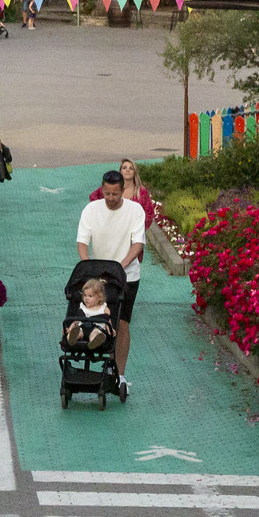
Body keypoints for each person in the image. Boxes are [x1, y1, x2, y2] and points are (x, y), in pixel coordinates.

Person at [77, 170, 146, 398]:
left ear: (122, 191)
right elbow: (82, 241)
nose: (111, 198)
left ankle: (121, 373)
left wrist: (119, 266)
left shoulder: (135, 210)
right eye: (107, 193)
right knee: (93, 315)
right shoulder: (91, 210)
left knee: (122, 324)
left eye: (115, 194)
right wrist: (89, 269)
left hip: (127, 276)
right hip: (99, 277)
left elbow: (137, 244)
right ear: (102, 190)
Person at [87, 157, 156, 227]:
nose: (127, 170)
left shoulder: (141, 191)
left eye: (131, 168)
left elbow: (149, 214)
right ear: (120, 171)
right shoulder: (111, 187)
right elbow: (93, 197)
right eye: (124, 168)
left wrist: (139, 228)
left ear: (134, 172)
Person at [64, 278, 115, 351]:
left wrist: (111, 329)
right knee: (78, 331)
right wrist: (70, 328)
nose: (86, 298)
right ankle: (72, 338)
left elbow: (108, 320)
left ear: (99, 297)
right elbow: (76, 321)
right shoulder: (82, 307)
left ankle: (95, 342)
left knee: (95, 334)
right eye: (85, 295)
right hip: (82, 327)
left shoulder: (103, 308)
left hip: (97, 329)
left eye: (90, 296)